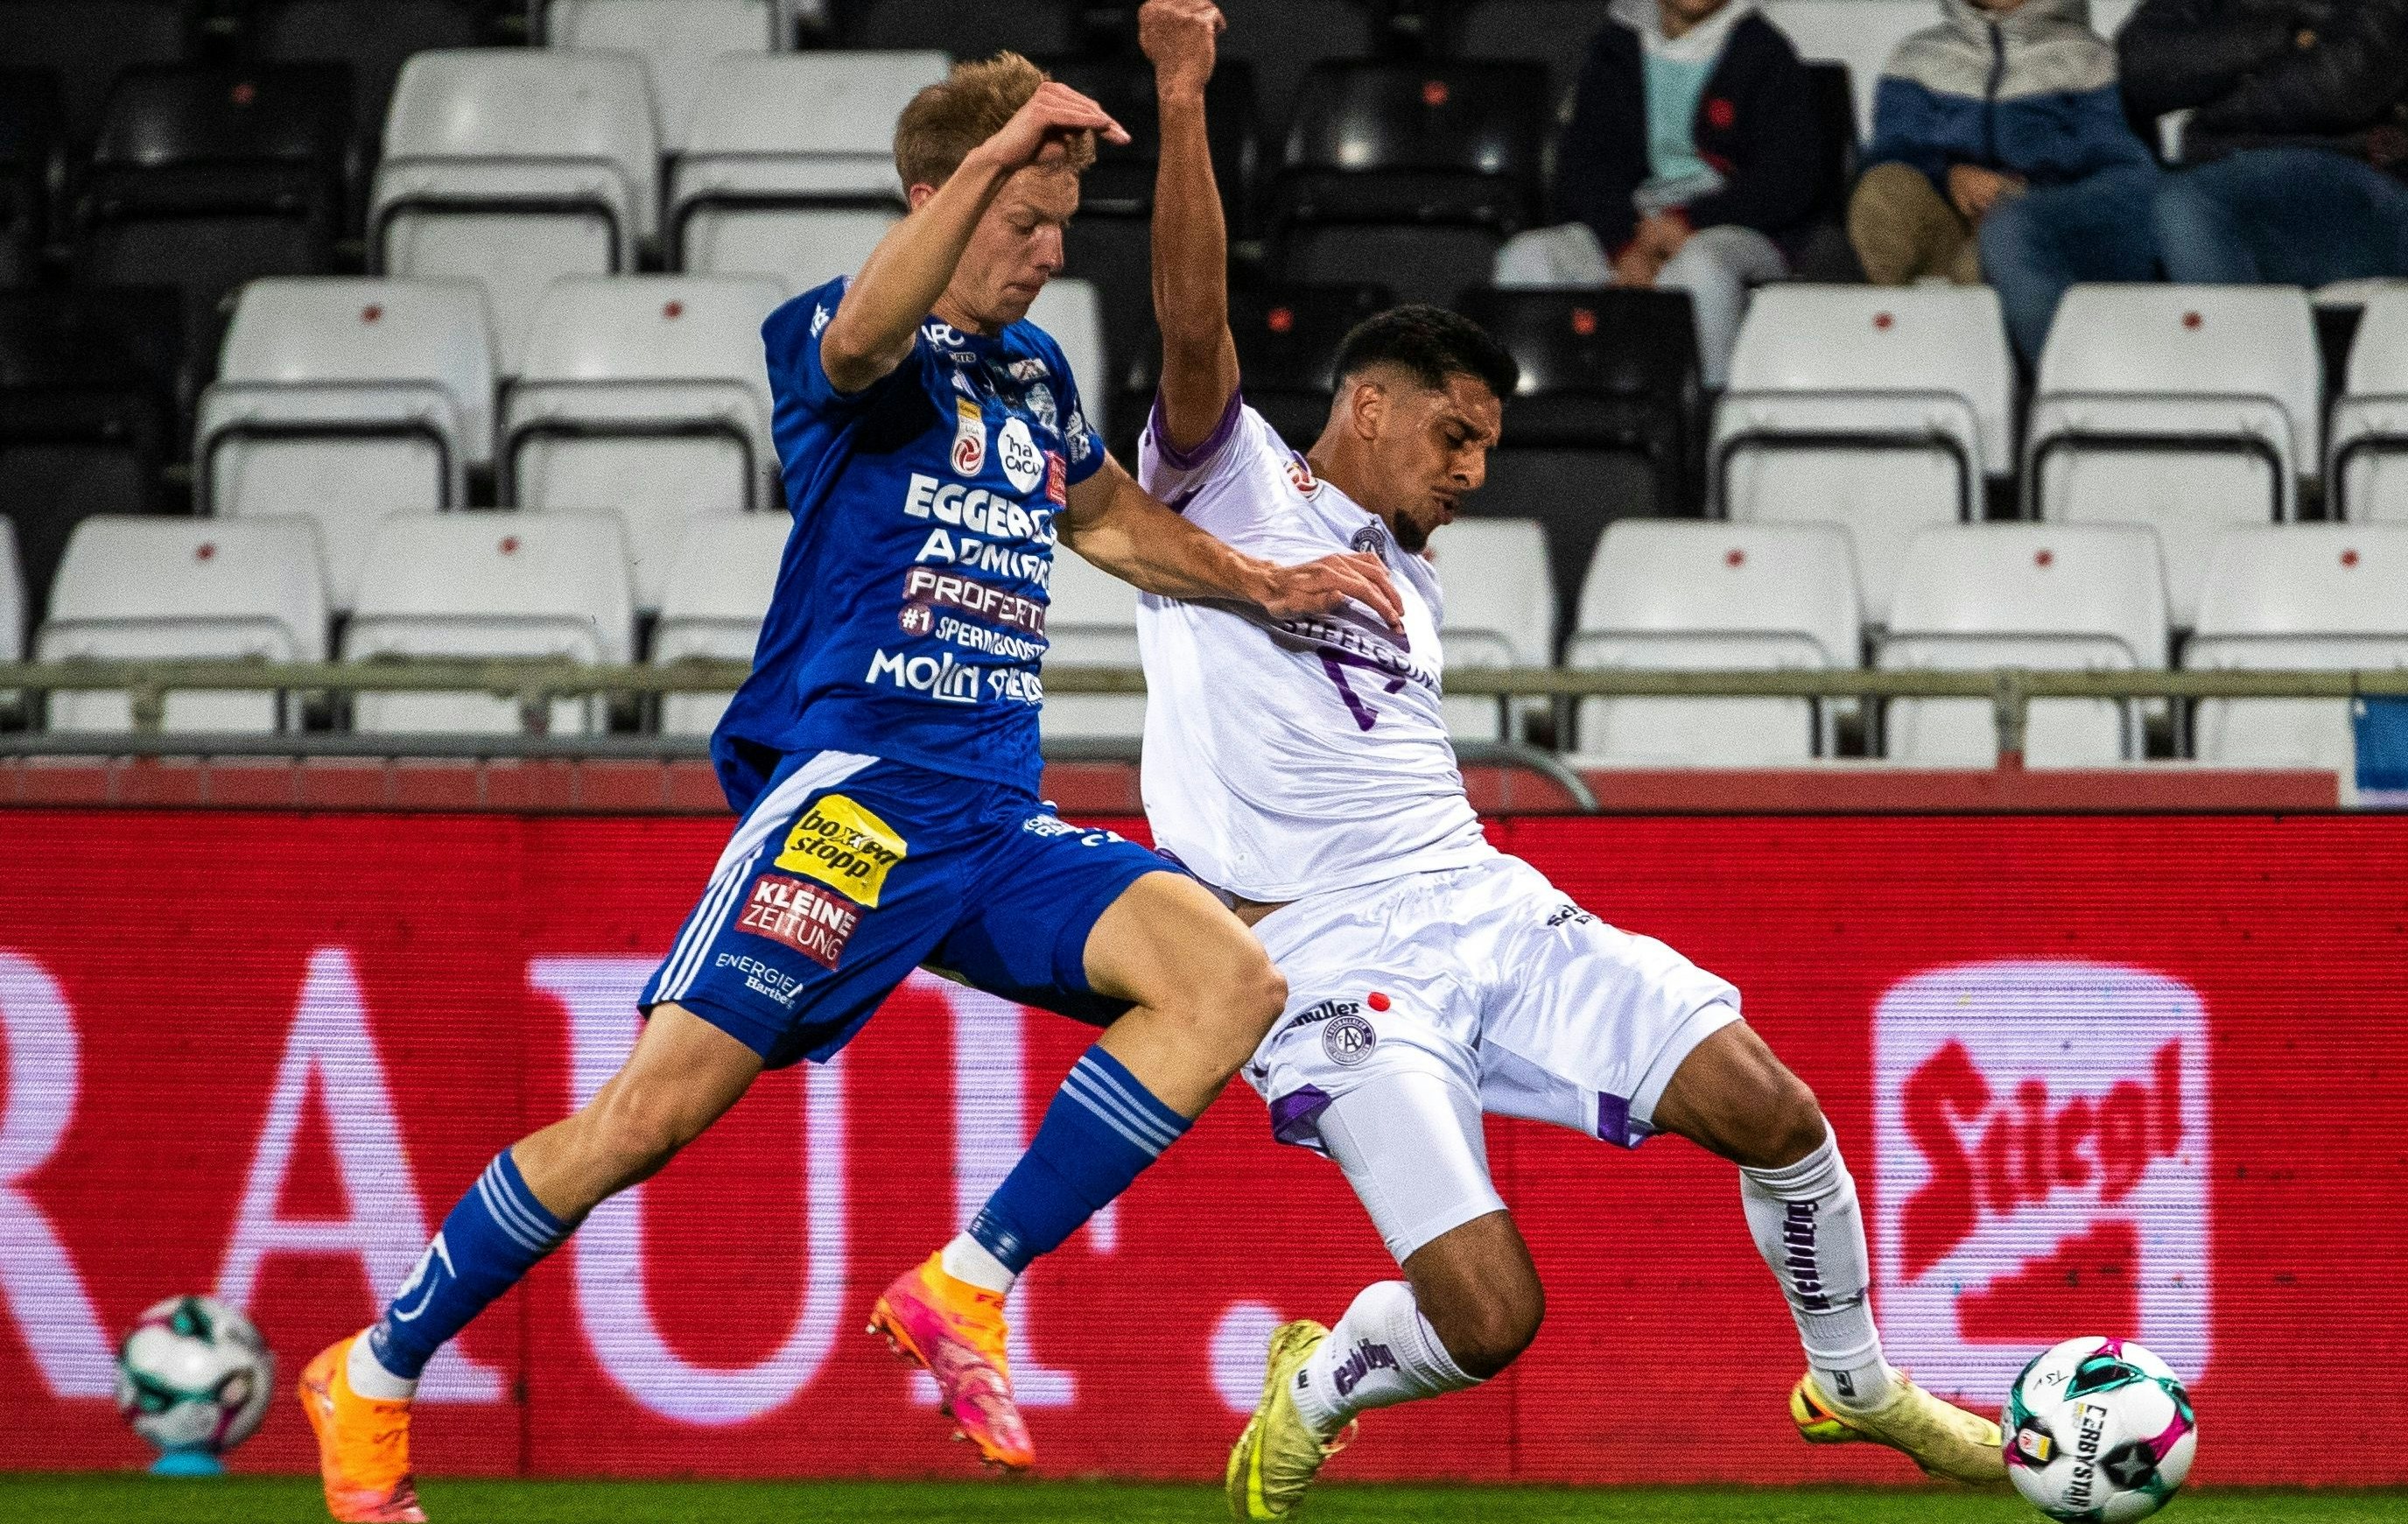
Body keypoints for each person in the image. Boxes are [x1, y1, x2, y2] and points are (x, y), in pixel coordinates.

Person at [294, 53, 1408, 1524]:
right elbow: (877, 323)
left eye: (1065, 227)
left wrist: (1264, 581)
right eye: (1026, 219)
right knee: (645, 1120)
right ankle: (372, 1374)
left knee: (1226, 983)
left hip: (993, 820)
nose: (1053, 251)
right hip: (854, 805)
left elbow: (1114, 525)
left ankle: (967, 1282)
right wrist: (1008, 133)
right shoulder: (835, 337)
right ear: (940, 198)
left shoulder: (1033, 376)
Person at [1131, 5, 2008, 1518]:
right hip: (1326, 964)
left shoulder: (1408, 581)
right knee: (1491, 1320)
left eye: (1485, 450)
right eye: (1454, 439)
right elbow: (1196, 325)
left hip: (1480, 907)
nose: (1472, 476)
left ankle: (1854, 1380)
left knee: (1775, 1112)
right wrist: (1186, 95)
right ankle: (1327, 1377)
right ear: (1367, 404)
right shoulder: (1225, 485)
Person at [1977, 0, 2408, 360]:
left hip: (2375, 197)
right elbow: (2140, 66)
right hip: (2208, 184)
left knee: (2189, 208)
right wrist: (2285, 31)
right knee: (2018, 229)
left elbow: (2339, 86)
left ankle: (2245, 413)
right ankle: (2099, 411)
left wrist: (2208, 104)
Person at [1492, 0, 1837, 386]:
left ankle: (1707, 421)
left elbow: (1787, 182)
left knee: (1701, 268)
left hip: (1733, 228)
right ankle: (1536, 428)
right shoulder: (1616, 47)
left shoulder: (1765, 52)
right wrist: (1625, 246)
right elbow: (1583, 171)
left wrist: (1689, 223)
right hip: (1632, 227)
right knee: (1527, 257)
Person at [1850, 0, 2153, 287]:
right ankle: (1880, 331)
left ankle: (1973, 336)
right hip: (1944, 216)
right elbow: (1887, 151)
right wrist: (1949, 175)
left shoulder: (2088, 55)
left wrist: (2026, 193)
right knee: (1884, 191)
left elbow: (2117, 168)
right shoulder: (1916, 54)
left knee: (1996, 248)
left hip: (2034, 221)